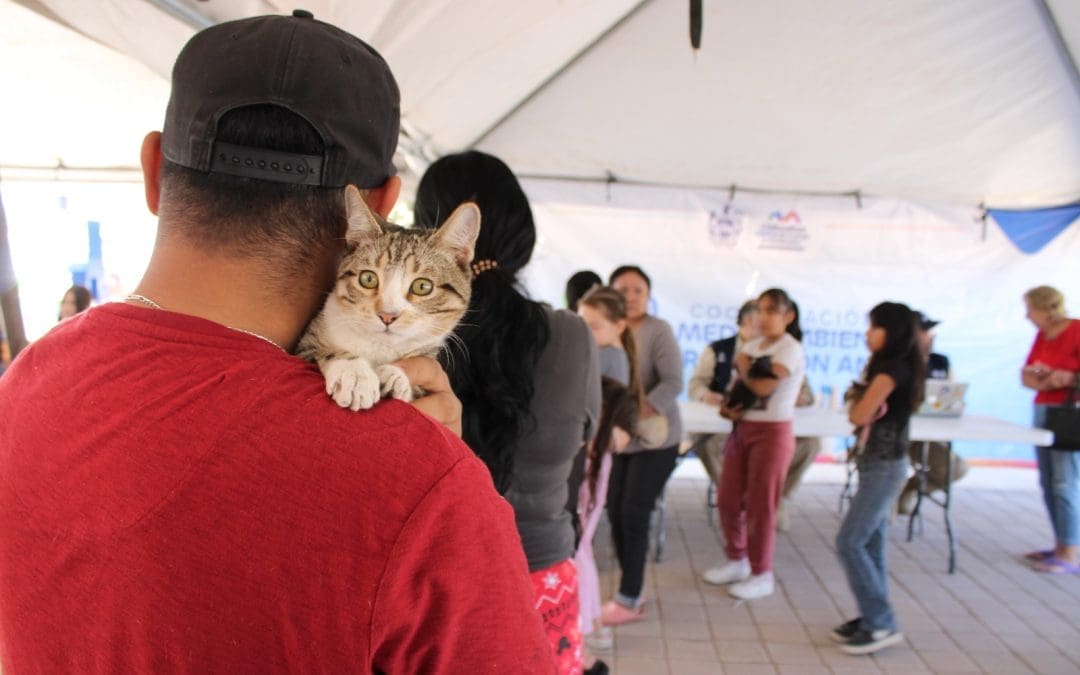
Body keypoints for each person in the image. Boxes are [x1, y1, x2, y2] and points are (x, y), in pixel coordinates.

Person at [0, 13, 556, 674]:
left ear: (153, 171)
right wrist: (435, 472)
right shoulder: (423, 481)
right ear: (379, 204)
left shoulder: (20, 388)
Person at [414, 150, 601, 673]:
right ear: (524, 233)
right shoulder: (573, 338)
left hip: (432, 586)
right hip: (542, 573)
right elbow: (583, 442)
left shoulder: (402, 337)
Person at [832, 302, 924, 655]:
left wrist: (857, 399)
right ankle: (872, 616)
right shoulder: (898, 367)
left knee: (850, 542)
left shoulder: (890, 372)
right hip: (880, 465)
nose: (867, 334)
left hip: (884, 468)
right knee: (869, 544)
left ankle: (882, 622)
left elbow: (859, 414)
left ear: (893, 331)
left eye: (874, 327)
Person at [703, 287, 804, 600]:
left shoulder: (790, 348)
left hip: (773, 433)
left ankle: (762, 573)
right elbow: (740, 390)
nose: (763, 317)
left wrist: (744, 362)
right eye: (759, 309)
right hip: (742, 429)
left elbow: (762, 386)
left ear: (788, 316)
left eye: (771, 310)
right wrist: (729, 406)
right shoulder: (754, 345)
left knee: (762, 505)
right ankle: (737, 559)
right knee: (728, 497)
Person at [602, 265, 683, 625]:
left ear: (648, 295)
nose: (631, 296)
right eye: (623, 289)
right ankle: (630, 586)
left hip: (656, 438)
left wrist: (636, 415)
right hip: (619, 439)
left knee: (634, 512)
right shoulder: (607, 329)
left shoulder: (658, 330)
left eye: (638, 290)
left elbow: (673, 382)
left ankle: (630, 597)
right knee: (615, 510)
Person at [574, 285, 640, 660]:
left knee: (580, 542)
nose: (588, 333)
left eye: (595, 326)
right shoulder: (606, 355)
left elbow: (598, 420)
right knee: (581, 543)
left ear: (619, 326)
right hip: (592, 458)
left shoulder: (609, 361)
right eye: (583, 325)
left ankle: (590, 625)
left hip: (593, 459)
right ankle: (592, 624)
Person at [1020, 285, 1080, 574]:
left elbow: (1064, 375)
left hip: (1069, 412)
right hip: (1044, 408)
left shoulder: (1077, 330)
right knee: (1046, 480)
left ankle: (1071, 550)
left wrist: (1067, 378)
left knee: (1063, 481)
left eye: (1030, 309)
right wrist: (1043, 380)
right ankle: (1059, 543)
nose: (1027, 316)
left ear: (1046, 308)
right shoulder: (1043, 336)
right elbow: (1027, 373)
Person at [897, 312, 969, 514]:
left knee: (956, 468)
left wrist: (955, 405)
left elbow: (952, 395)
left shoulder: (941, 362)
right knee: (889, 472)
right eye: (924, 330)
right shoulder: (895, 362)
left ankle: (911, 488)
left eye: (930, 331)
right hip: (896, 433)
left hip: (929, 436)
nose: (929, 335)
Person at [688, 299, 757, 482]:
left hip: (762, 420)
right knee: (707, 444)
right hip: (722, 420)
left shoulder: (779, 350)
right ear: (749, 320)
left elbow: (805, 392)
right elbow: (696, 384)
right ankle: (732, 494)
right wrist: (706, 395)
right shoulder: (718, 349)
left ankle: (778, 497)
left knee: (810, 444)